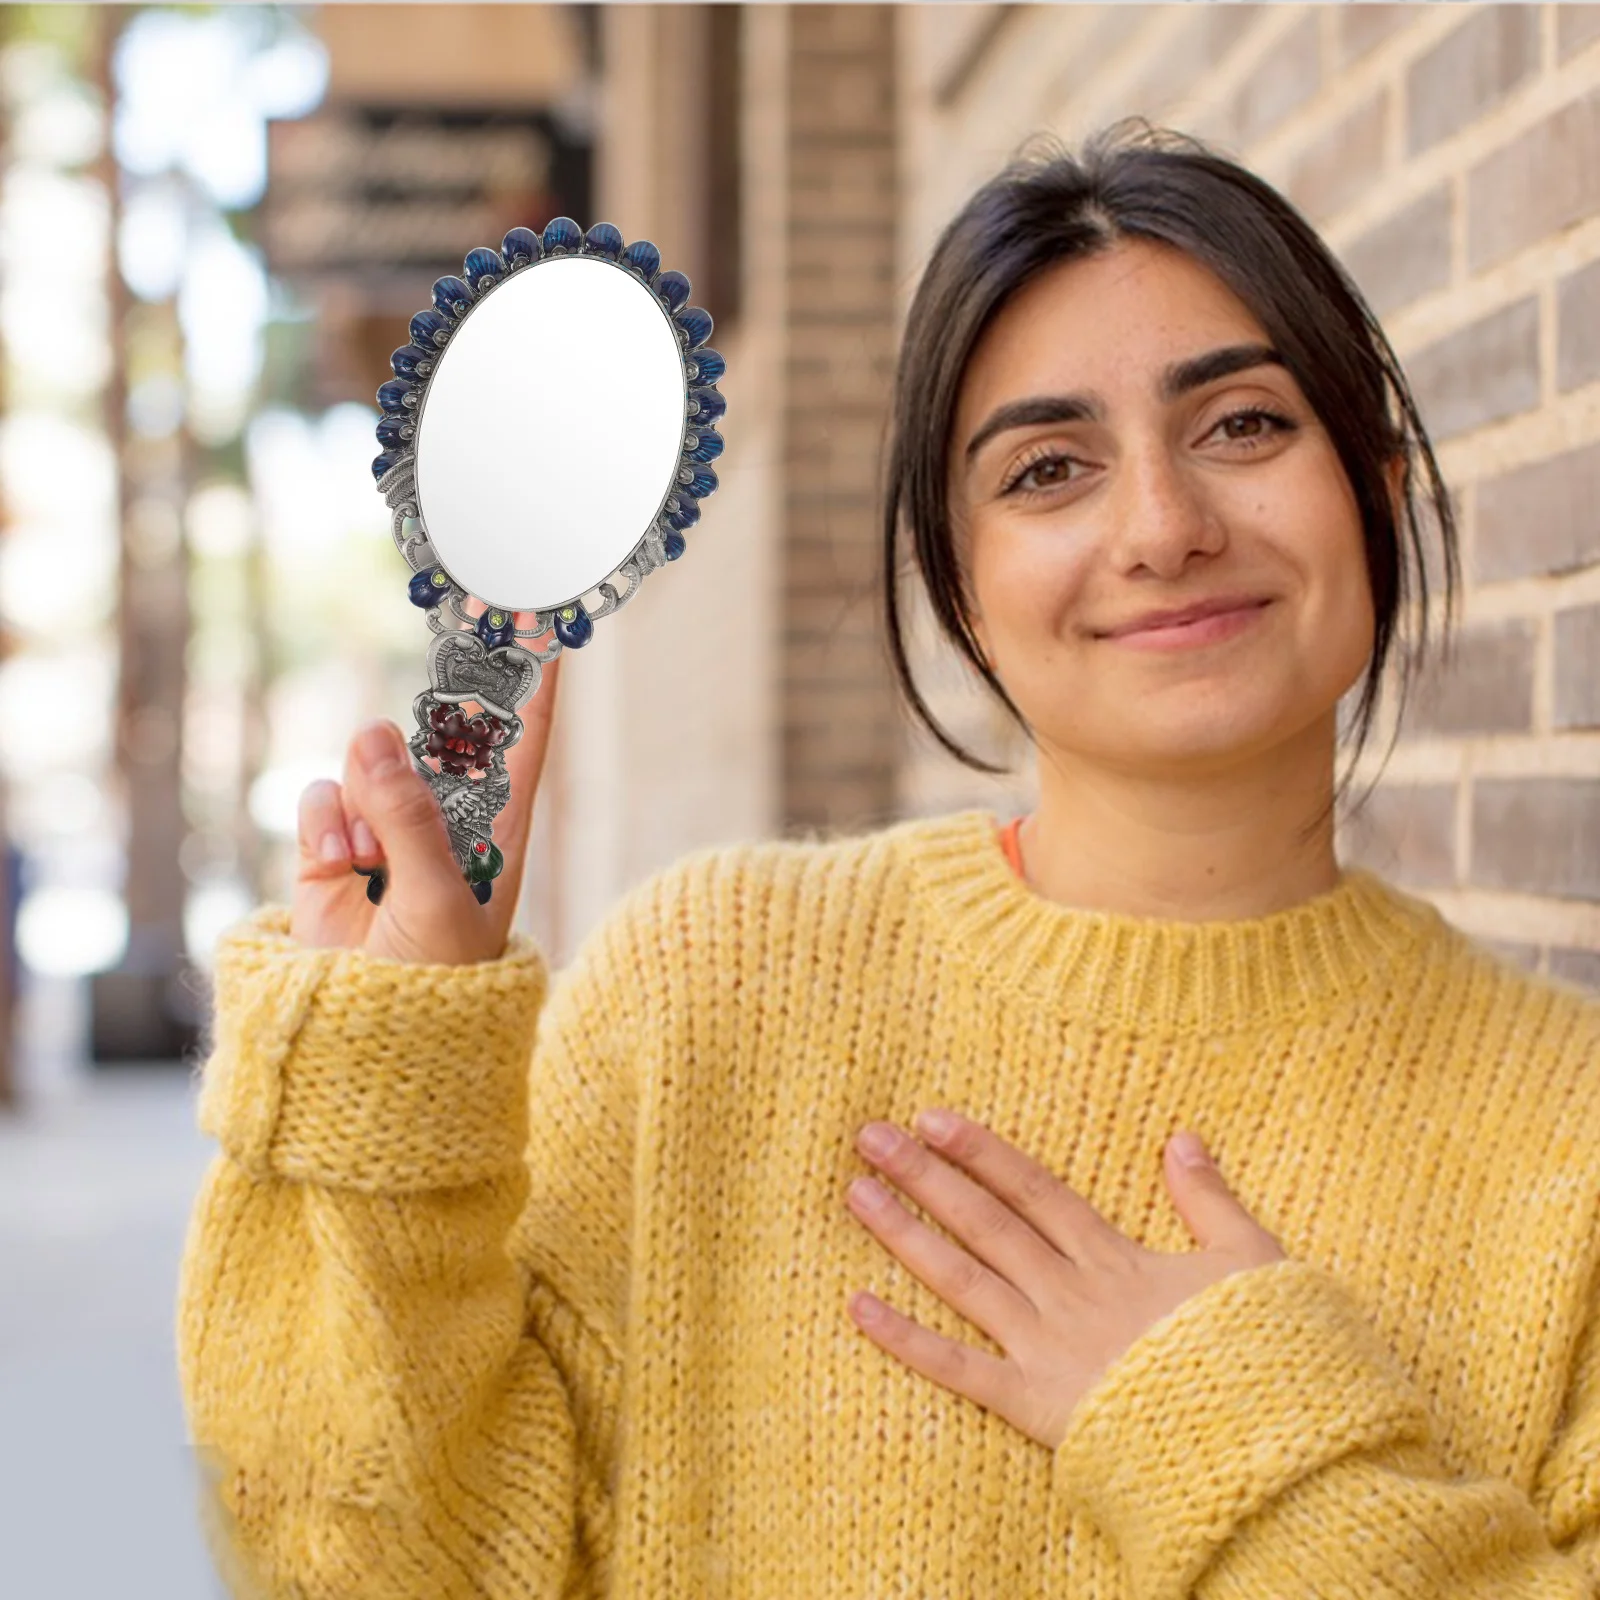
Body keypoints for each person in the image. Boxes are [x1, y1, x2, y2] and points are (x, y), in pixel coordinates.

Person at [177, 120, 1600, 1598]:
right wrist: (381, 1089)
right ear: (959, 583)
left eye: (1242, 426)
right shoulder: (712, 989)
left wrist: (1230, 1425)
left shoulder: (1571, 1139)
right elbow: (370, 1561)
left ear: (1375, 484)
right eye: (1049, 469)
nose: (1164, 527)